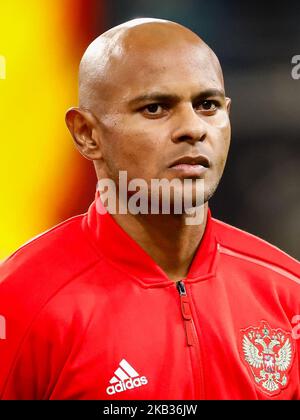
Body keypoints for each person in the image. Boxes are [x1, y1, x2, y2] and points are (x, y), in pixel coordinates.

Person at [0, 18, 299, 401]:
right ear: (86, 134)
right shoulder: (21, 302)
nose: (193, 128)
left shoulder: (288, 294)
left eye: (207, 105)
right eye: (156, 108)